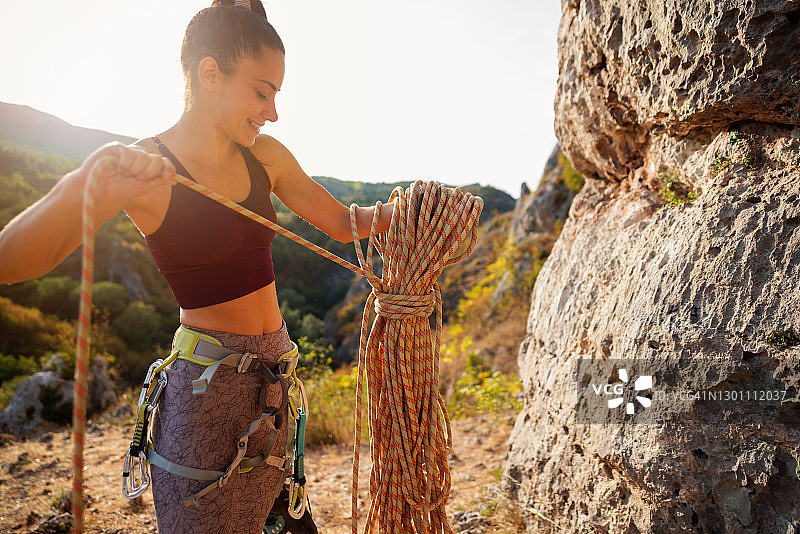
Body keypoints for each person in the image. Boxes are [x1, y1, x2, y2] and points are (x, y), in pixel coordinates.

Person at [0, 0, 393, 532]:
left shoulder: (266, 157)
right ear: (210, 74)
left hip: (274, 384)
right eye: (262, 92)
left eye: (276, 95)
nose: (272, 112)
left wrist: (409, 212)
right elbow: (14, 259)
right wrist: (84, 178)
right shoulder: (147, 170)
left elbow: (346, 223)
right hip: (206, 394)